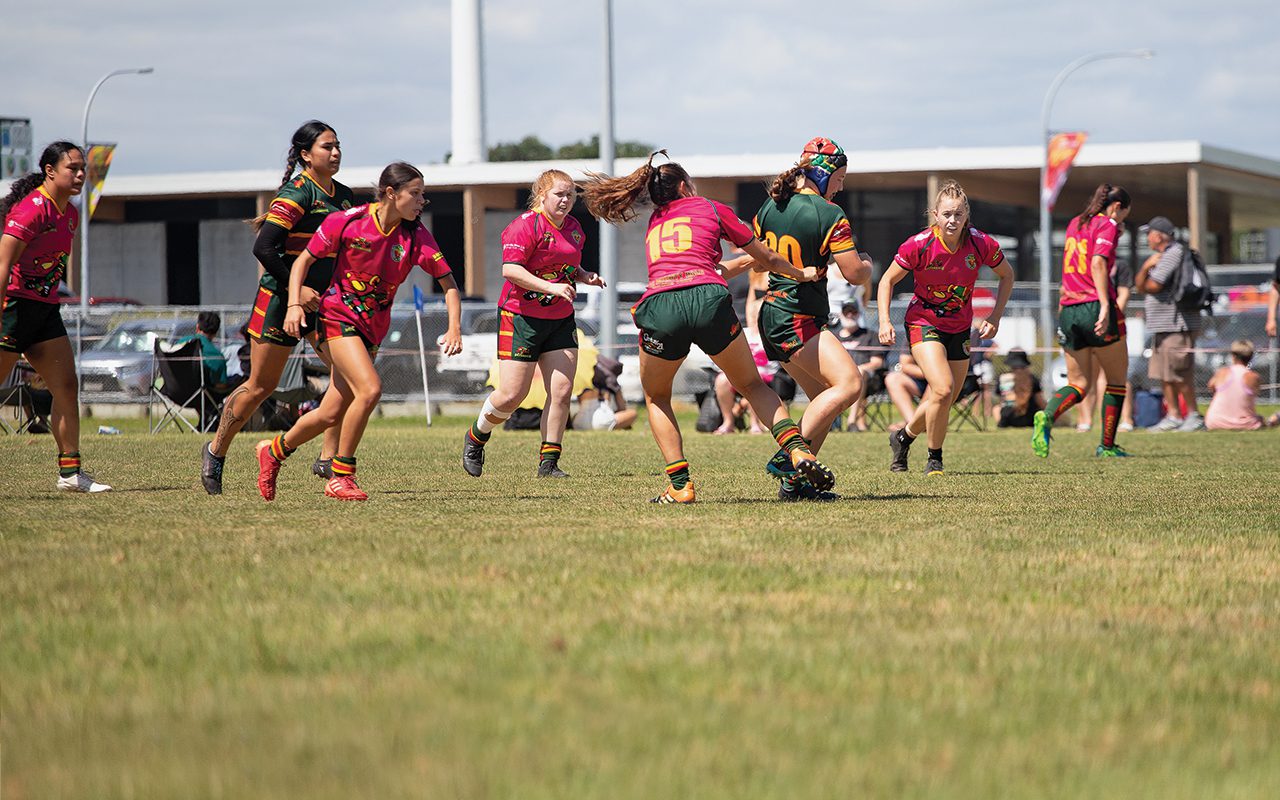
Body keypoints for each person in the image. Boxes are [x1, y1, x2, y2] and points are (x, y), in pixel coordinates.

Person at [582, 151, 835, 503]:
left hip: (662, 304)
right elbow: (768, 257)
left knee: (656, 397)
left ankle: (681, 486)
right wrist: (801, 273)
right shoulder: (711, 207)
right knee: (750, 384)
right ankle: (798, 451)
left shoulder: (656, 220)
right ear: (685, 187)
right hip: (708, 298)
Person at [256, 162, 462, 501]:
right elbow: (303, 262)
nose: (422, 201)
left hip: (372, 329)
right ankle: (341, 475)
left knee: (330, 412)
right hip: (338, 318)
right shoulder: (349, 221)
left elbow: (449, 284)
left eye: (423, 194)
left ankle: (273, 451)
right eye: (416, 193)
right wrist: (294, 304)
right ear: (391, 193)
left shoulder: (415, 235)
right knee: (370, 390)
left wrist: (454, 328)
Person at [202, 121, 355, 495]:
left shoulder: (347, 197)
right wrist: (296, 291)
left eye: (338, 146)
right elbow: (264, 248)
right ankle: (215, 451)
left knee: (349, 376)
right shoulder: (297, 193)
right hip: (278, 300)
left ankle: (329, 460)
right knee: (260, 386)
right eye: (326, 147)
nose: (335, 153)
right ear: (306, 154)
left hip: (323, 303)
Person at [461, 169, 605, 479]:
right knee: (513, 394)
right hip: (521, 317)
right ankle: (476, 437)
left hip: (559, 318)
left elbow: (567, 264)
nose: (566, 200)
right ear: (542, 196)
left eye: (571, 195)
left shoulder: (574, 228)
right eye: (559, 194)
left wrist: (584, 276)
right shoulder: (524, 227)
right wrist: (552, 287)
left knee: (563, 390)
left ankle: (549, 464)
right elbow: (511, 270)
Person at [753, 137, 872, 496]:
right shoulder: (829, 213)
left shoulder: (769, 208)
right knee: (850, 384)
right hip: (796, 316)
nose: (841, 185)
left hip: (772, 313)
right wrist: (866, 265)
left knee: (824, 397)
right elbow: (853, 274)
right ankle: (789, 456)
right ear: (823, 173)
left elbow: (760, 262)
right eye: (839, 178)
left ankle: (797, 484)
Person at [876, 179, 1014, 476]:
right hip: (923, 321)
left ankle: (903, 437)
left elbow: (1007, 275)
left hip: (960, 326)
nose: (953, 220)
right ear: (935, 215)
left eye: (959, 214)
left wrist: (995, 316)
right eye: (947, 214)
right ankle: (934, 458)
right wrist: (885, 320)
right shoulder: (919, 244)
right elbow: (887, 280)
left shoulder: (980, 243)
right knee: (942, 387)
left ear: (967, 216)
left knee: (946, 396)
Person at [0, 141, 110, 492]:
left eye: (82, 169)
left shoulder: (71, 213)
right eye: (72, 168)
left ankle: (71, 474)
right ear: (50, 171)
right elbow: (2, 264)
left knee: (65, 387)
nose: (80, 175)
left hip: (45, 310)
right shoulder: (32, 210)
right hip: (12, 307)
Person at [1032, 183, 1134, 458]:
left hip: (1069, 308)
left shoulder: (1076, 223)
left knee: (1078, 383)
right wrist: (1104, 305)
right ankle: (1108, 446)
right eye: (1123, 214)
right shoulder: (1108, 224)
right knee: (1115, 380)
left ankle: (1047, 416)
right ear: (1116, 207)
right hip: (1094, 306)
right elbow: (1098, 263)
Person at [1134, 216, 1204, 431]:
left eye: (1149, 233)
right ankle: (1173, 415)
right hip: (1162, 325)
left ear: (1158, 235)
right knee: (1163, 373)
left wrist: (1146, 269)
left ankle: (1193, 416)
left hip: (1177, 324)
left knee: (1180, 373)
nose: (1147, 238)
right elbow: (1140, 286)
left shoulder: (1174, 253)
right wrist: (1146, 270)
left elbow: (1153, 285)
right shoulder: (1162, 256)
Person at [833, 299, 886, 431]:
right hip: (838, 378)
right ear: (841, 314)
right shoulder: (833, 338)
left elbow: (877, 362)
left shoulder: (870, 335)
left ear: (858, 314)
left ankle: (852, 421)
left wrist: (859, 369)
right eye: (847, 312)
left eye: (854, 311)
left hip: (869, 380)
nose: (850, 315)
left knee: (859, 373)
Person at [1205, 339, 1279, 430]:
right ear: (1251, 356)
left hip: (1215, 422)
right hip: (1244, 424)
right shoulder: (1254, 377)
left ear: (1233, 356)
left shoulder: (1222, 372)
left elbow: (1211, 387)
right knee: (1264, 419)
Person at [178, 310, 230, 430]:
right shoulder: (216, 356)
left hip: (175, 392)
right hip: (201, 395)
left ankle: (205, 422)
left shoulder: (180, 343)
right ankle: (210, 423)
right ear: (216, 332)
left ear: (197, 327)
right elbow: (221, 385)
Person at [572, 356, 637, 431]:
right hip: (602, 420)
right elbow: (621, 407)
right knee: (633, 413)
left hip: (579, 423)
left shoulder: (582, 380)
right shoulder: (611, 382)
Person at [995, 349, 1044, 428]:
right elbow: (1040, 402)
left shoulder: (1002, 379)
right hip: (1030, 418)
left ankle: (1001, 425)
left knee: (996, 408)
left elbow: (1001, 401)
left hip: (1008, 418)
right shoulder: (1032, 379)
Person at [883, 351, 927, 431]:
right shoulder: (912, 338)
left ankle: (919, 423)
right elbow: (906, 365)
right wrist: (932, 373)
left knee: (937, 383)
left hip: (948, 382)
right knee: (893, 379)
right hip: (921, 381)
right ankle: (913, 424)